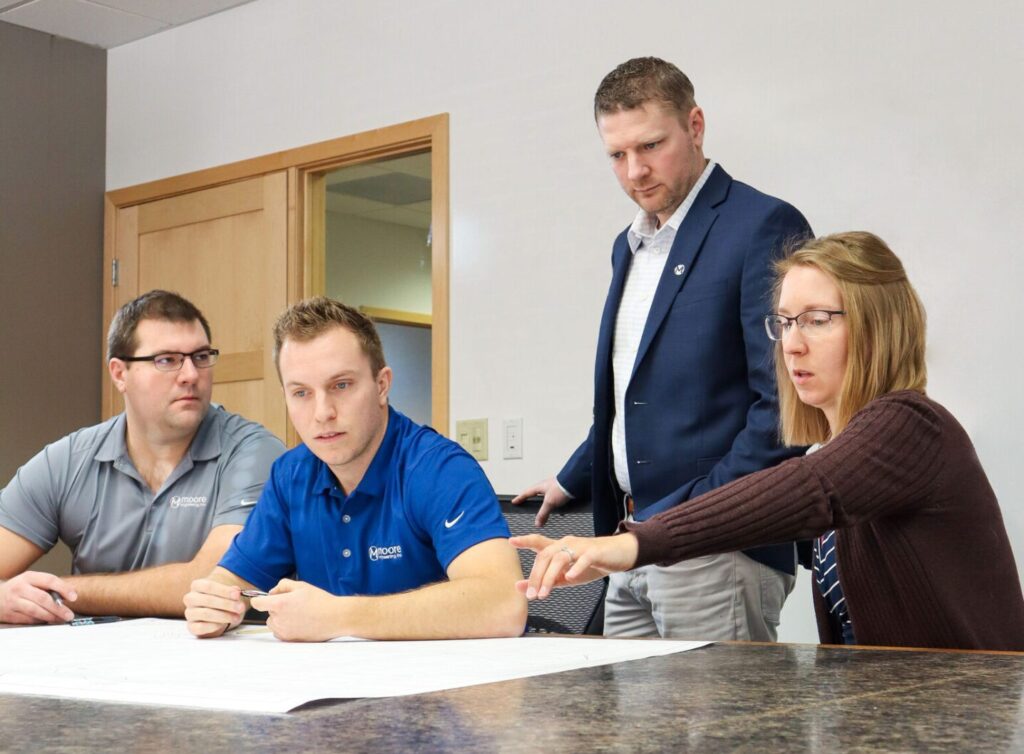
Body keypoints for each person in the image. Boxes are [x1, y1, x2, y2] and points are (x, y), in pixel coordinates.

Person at [514, 231, 1024, 650]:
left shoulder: (912, 424)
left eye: (817, 321)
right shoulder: (837, 451)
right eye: (784, 323)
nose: (791, 344)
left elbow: (809, 490)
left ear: (878, 326)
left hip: (966, 717)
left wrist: (633, 543)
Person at [513, 57, 812, 640]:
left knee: (712, 708)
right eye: (617, 155)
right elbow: (637, 394)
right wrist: (574, 478)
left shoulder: (763, 225)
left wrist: (692, 515)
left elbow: (785, 408)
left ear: (695, 126)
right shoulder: (627, 246)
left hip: (716, 546)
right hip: (629, 542)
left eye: (651, 145)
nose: (635, 171)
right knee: (630, 707)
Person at [184, 297, 526, 642]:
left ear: (382, 385)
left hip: (438, 674)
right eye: (301, 393)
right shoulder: (290, 475)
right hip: (330, 674)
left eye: (341, 385)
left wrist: (338, 616)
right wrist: (214, 601)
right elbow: (233, 579)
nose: (322, 413)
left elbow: (503, 602)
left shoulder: (439, 469)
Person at [0, 290, 284, 624]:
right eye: (167, 360)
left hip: (213, 653)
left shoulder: (253, 453)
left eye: (201, 356)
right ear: (120, 374)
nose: (191, 375)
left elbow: (214, 583)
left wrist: (58, 592)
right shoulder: (67, 461)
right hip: (95, 654)